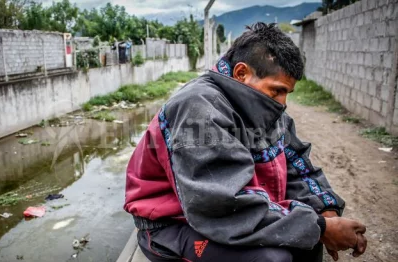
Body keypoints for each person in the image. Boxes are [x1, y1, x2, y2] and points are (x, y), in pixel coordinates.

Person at [123, 22, 367, 262]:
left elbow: (298, 166)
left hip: (233, 217)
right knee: (272, 257)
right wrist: (321, 227)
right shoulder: (198, 109)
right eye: (276, 90)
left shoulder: (269, 111)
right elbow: (220, 204)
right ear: (241, 73)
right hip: (172, 225)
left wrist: (326, 212)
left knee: (308, 239)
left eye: (286, 93)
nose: (282, 103)